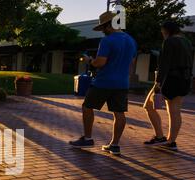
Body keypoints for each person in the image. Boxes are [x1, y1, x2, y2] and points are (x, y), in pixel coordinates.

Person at [70, 11, 137, 155]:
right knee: (119, 113)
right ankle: (115, 145)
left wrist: (90, 61)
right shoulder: (131, 40)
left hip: (104, 82)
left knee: (87, 107)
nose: (103, 32)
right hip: (122, 83)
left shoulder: (107, 40)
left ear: (108, 25)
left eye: (103, 28)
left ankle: (87, 139)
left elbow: (100, 63)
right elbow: (132, 64)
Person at [143, 21, 193, 151]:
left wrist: (158, 83)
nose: (162, 33)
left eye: (162, 31)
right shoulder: (187, 42)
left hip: (170, 79)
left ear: (167, 30)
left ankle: (160, 137)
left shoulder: (169, 42)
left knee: (148, 105)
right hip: (184, 79)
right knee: (175, 111)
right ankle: (171, 141)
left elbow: (164, 64)